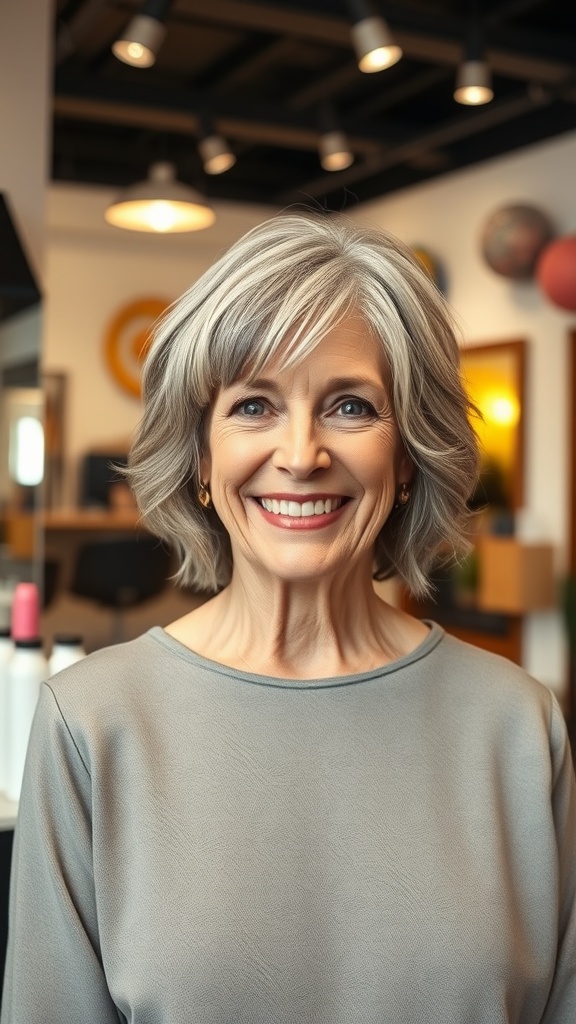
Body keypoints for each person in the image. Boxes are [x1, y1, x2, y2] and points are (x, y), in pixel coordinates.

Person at [2, 213, 575, 1024]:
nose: (302, 455)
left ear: (407, 458)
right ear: (202, 459)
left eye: (350, 407)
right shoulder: (90, 726)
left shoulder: (518, 727)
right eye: (254, 406)